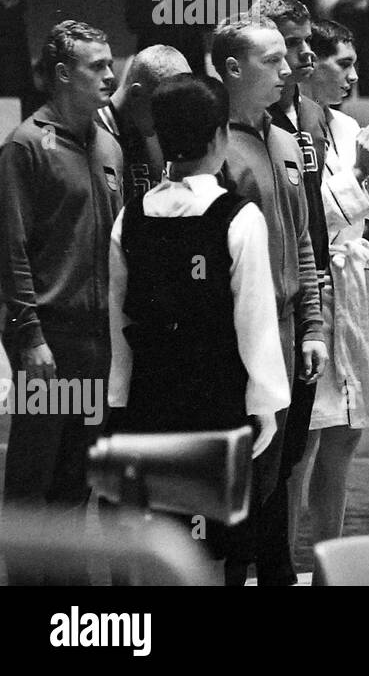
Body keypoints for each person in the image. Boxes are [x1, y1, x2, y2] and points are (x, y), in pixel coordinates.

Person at [107, 74, 291, 563]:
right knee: (217, 550)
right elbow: (255, 322)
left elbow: (118, 320)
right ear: (220, 137)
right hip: (218, 401)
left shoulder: (130, 216)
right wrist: (265, 404)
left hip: (148, 399)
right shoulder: (239, 217)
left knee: (160, 543)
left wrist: (119, 399)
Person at [0, 21, 122, 580]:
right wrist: (29, 338)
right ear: (60, 75)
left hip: (97, 340)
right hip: (50, 339)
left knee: (77, 479)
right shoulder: (26, 146)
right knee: (34, 482)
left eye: (110, 63)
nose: (110, 74)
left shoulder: (107, 144)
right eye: (97, 66)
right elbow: (11, 250)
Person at [212, 14, 328, 586]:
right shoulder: (212, 150)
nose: (289, 69)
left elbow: (303, 239)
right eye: (273, 60)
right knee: (242, 478)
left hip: (289, 332)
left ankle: (276, 575)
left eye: (289, 57)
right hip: (239, 336)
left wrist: (312, 327)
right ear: (233, 69)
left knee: (279, 468)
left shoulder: (285, 140)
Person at [290, 20, 369, 549]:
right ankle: (281, 565)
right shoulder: (285, 131)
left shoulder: (352, 131)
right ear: (310, 66)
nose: (353, 75)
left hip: (355, 291)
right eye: (342, 64)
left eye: (354, 63)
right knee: (301, 444)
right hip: (313, 289)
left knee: (345, 436)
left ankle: (328, 563)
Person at [96, 44, 190, 202]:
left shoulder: (155, 134)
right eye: (164, 107)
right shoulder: (89, 134)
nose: (169, 119)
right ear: (136, 93)